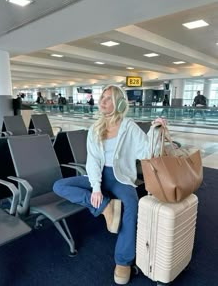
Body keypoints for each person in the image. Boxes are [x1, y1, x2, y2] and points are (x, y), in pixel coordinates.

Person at [53, 85, 165, 285]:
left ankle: (123, 261)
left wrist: (156, 131)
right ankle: (105, 207)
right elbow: (93, 161)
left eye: (108, 98)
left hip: (120, 177)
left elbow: (146, 153)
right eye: (102, 97)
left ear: (119, 103)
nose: (102, 102)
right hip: (98, 175)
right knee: (59, 186)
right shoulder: (95, 128)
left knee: (131, 203)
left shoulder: (128, 126)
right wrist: (95, 189)